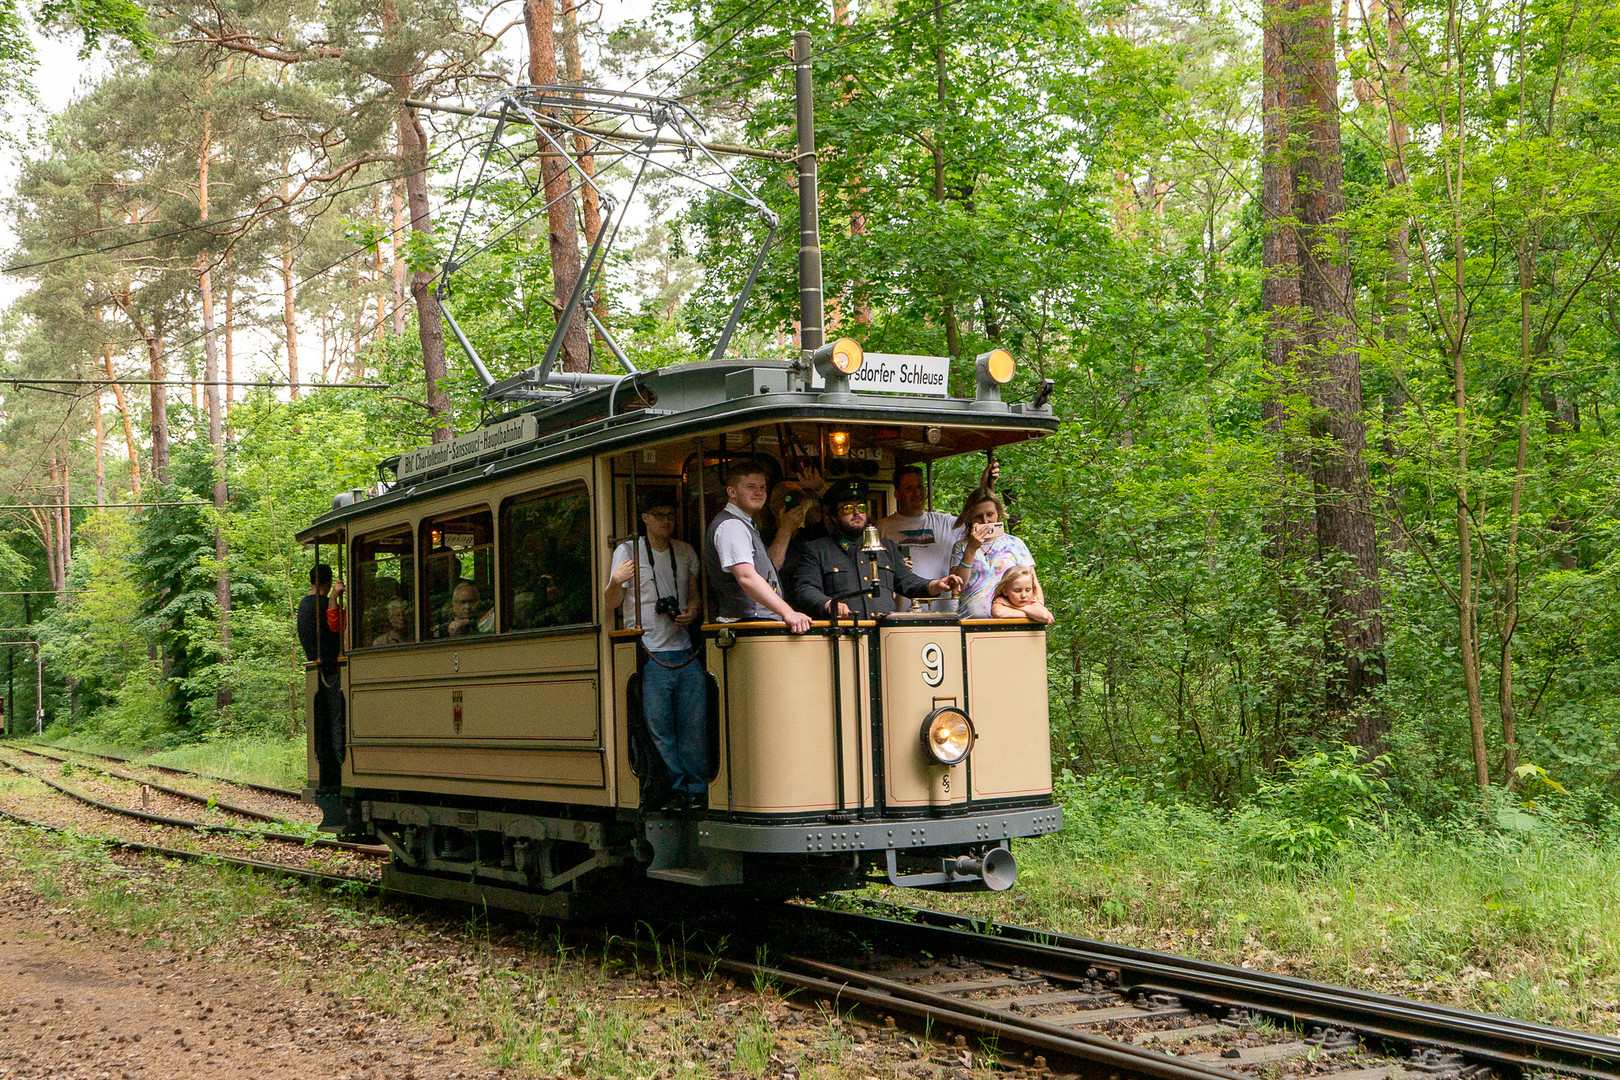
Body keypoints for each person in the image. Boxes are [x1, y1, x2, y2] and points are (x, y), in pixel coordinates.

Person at [605, 492, 707, 810]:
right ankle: (673, 788)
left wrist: (691, 610)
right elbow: (611, 604)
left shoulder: (685, 551)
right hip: (650, 653)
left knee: (694, 726)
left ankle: (696, 790)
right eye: (660, 514)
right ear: (644, 518)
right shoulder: (627, 551)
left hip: (684, 650)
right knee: (660, 727)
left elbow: (695, 595)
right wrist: (615, 582)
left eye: (671, 514)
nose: (667, 520)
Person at [788, 479, 960, 619]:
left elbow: (907, 582)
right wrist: (829, 604)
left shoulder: (887, 547)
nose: (857, 513)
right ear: (833, 516)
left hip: (884, 636)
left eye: (861, 507)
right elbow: (805, 589)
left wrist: (936, 584)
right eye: (848, 508)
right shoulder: (817, 550)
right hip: (842, 636)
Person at [705, 460, 813, 632]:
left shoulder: (745, 524)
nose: (759, 492)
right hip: (745, 623)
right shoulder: (731, 525)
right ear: (731, 492)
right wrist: (788, 613)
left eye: (762, 487)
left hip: (754, 622)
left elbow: (767, 569)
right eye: (750, 486)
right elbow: (746, 577)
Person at [296, 563, 347, 829]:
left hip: (321, 669)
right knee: (337, 723)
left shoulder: (304, 605)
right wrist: (335, 599)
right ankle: (340, 763)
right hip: (331, 670)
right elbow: (334, 629)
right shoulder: (320, 605)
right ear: (327, 583)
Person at [879, 466, 964, 612]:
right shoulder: (883, 527)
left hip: (943, 612)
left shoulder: (946, 523)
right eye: (909, 488)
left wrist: (986, 486)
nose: (917, 492)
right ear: (897, 494)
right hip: (900, 613)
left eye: (920, 486)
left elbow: (979, 522)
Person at [950, 488, 1041, 619]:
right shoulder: (961, 546)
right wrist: (971, 549)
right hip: (970, 623)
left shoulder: (1015, 544)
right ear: (970, 518)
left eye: (990, 514)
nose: (985, 521)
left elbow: (1034, 588)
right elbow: (957, 586)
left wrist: (1035, 613)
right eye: (979, 517)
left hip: (1011, 622)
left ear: (998, 513)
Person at [990, 565, 1055, 624]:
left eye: (1028, 590)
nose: (1023, 595)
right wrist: (1033, 615)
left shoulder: (1032, 602)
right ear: (1005, 591)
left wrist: (1012, 606)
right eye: (1017, 591)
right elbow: (998, 613)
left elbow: (1043, 615)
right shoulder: (1000, 601)